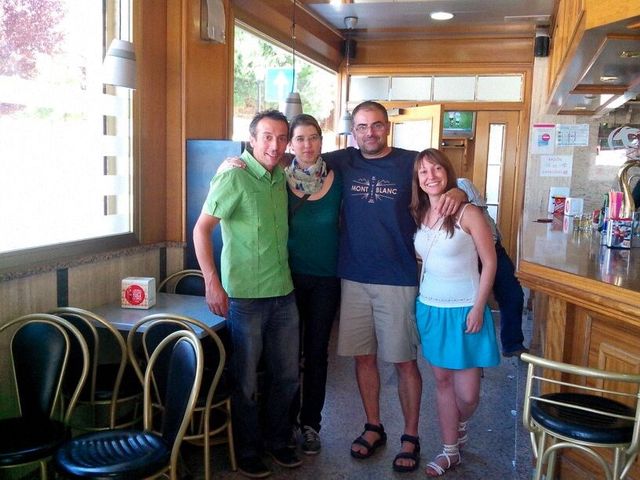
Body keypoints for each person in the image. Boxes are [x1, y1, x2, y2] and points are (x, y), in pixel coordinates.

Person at [322, 101, 466, 473]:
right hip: (352, 275)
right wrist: (236, 161)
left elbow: (450, 182)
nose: (369, 133)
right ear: (353, 131)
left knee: (403, 361)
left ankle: (411, 435)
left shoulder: (410, 161)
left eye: (376, 126)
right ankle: (373, 426)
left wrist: (460, 194)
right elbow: (300, 159)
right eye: (361, 126)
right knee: (363, 357)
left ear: (387, 128)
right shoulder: (343, 160)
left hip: (398, 278)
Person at [193, 109, 302, 479]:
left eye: (281, 138)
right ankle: (248, 450)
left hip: (284, 294)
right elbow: (201, 230)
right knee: (247, 381)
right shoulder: (233, 177)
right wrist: (211, 281)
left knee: (286, 376)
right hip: (245, 299)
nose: (274, 144)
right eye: (267, 137)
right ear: (252, 140)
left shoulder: (280, 178)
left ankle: (278, 441)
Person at [410, 148, 500, 477]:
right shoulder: (419, 213)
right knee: (443, 382)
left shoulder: (468, 213)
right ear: (417, 181)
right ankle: (450, 450)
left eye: (436, 169)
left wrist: (480, 306)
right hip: (431, 308)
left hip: (466, 310)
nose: (430, 176)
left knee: (469, 394)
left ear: (447, 173)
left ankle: (460, 424)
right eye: (423, 172)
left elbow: (489, 262)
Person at [285, 114, 342, 455]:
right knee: (287, 355)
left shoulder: (339, 177)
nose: (307, 145)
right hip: (286, 279)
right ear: (291, 144)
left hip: (326, 280)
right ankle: (285, 421)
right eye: (300, 139)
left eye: (313, 138)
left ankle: (311, 425)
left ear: (322, 141)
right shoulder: (277, 178)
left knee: (317, 354)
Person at [457, 178, 529, 357]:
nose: (433, 175)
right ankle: (471, 354)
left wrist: (457, 194)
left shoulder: (463, 184)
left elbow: (476, 206)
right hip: (468, 256)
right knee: (470, 303)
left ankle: (512, 345)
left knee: (513, 295)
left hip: (494, 249)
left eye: (438, 168)